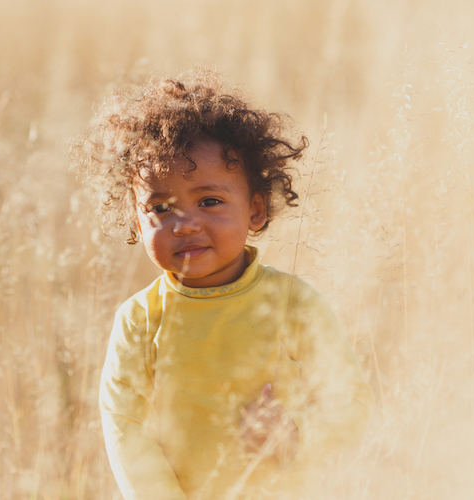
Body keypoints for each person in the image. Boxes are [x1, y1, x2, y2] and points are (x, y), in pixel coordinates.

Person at [72, 68, 374, 500]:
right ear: (137, 221)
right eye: (160, 207)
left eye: (209, 201)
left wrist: (296, 435)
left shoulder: (292, 303)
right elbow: (126, 433)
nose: (185, 225)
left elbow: (351, 403)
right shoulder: (139, 320)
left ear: (256, 210)